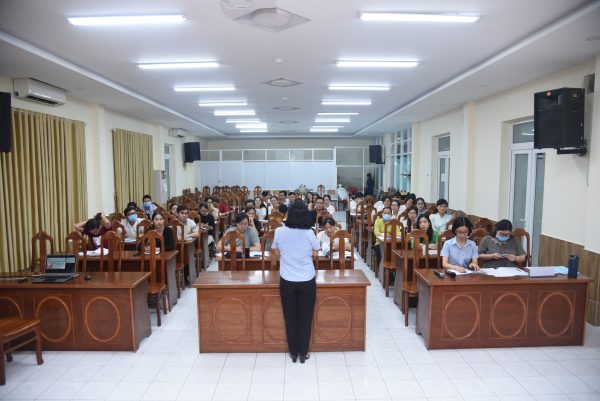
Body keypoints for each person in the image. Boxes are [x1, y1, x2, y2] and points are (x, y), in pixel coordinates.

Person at [271, 200, 320, 364]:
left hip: (287, 279)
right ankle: (303, 353)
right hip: (307, 279)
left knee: (290, 316)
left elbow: (276, 253)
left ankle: (293, 352)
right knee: (306, 317)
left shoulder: (279, 231)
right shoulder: (309, 233)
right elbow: (315, 254)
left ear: (289, 214)